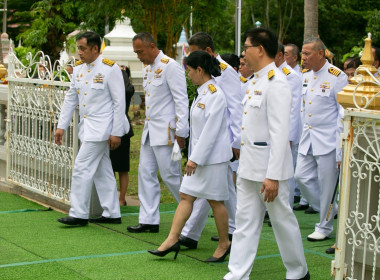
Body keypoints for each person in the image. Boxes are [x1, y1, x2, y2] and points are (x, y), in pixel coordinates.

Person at [224, 27, 309, 280]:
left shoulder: (277, 82)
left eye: (246, 47)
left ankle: (297, 272)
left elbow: (280, 134)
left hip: (269, 171)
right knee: (245, 222)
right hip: (249, 167)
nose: (243, 53)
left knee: (282, 221)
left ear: (259, 49)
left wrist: (272, 176)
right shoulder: (255, 81)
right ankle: (237, 274)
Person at [148, 51, 232, 262]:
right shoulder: (201, 92)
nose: (188, 75)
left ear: (200, 70)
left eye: (190, 71)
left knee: (215, 202)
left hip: (212, 160)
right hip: (199, 157)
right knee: (186, 196)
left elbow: (211, 131)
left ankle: (224, 243)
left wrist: (195, 159)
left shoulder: (215, 94)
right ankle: (172, 239)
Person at [55, 31, 129, 226]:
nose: (79, 52)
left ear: (95, 48)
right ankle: (112, 212)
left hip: (103, 128)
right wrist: (61, 126)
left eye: (82, 48)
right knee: (102, 170)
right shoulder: (79, 69)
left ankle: (79, 214)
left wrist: (116, 132)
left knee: (81, 168)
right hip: (88, 128)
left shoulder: (109, 68)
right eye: (78, 48)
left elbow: (119, 103)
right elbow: (71, 98)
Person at [178, 32, 242, 248]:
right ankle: (193, 233)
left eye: (194, 53)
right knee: (213, 192)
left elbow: (235, 110)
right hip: (209, 146)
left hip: (222, 143)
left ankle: (233, 231)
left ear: (206, 52)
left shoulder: (225, 72)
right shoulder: (205, 80)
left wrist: (236, 143)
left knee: (219, 193)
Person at [127, 32, 189, 233]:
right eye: (136, 53)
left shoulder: (170, 66)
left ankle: (191, 214)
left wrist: (182, 131)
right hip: (150, 131)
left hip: (167, 133)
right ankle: (149, 220)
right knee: (145, 173)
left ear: (152, 46)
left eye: (140, 52)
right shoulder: (148, 69)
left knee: (171, 176)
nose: (138, 56)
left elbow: (181, 100)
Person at [294, 37, 347, 242]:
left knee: (327, 186)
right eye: (302, 54)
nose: (303, 58)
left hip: (328, 141)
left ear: (321, 54)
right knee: (301, 176)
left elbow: (341, 114)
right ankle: (328, 210)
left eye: (307, 53)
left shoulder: (337, 76)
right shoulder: (306, 76)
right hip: (308, 138)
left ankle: (324, 227)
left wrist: (340, 147)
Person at [274, 43, 302, 207]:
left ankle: (287, 205)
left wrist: (289, 136)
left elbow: (293, 109)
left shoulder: (290, 75)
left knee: (286, 172)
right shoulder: (270, 73)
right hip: (271, 131)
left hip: (285, 132)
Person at [111, 65, 134, 206]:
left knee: (122, 168)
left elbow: (124, 89)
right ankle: (115, 197)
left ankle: (121, 198)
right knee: (112, 168)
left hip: (122, 131)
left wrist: (122, 72)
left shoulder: (126, 90)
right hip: (111, 129)